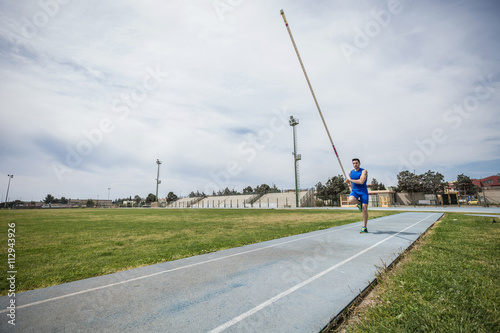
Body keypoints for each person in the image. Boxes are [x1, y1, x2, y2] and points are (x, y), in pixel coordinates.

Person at [346, 158, 369, 233]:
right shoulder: (350, 173)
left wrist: (350, 180)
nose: (355, 164)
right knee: (350, 200)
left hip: (363, 191)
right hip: (355, 191)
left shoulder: (364, 171)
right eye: (353, 163)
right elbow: (351, 183)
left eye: (356, 163)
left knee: (364, 209)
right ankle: (359, 203)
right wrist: (349, 184)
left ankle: (364, 227)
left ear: (359, 163)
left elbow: (361, 181)